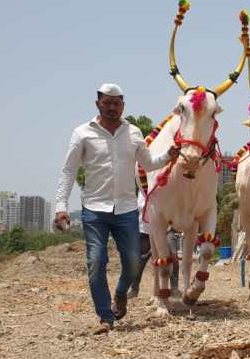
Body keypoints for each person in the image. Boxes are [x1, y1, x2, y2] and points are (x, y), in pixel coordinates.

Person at [54, 83, 179, 334]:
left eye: (117, 103)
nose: (112, 107)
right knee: (96, 261)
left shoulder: (133, 133)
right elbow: (68, 171)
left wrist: (169, 155)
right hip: (94, 209)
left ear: (123, 105)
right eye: (107, 103)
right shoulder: (82, 133)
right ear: (98, 103)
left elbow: (148, 163)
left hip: (126, 209)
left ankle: (121, 293)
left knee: (133, 262)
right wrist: (61, 206)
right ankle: (105, 316)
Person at [129, 191, 179, 299]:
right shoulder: (144, 187)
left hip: (166, 229)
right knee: (140, 260)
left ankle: (174, 288)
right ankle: (133, 289)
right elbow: (141, 206)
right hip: (145, 230)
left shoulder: (167, 186)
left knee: (173, 256)